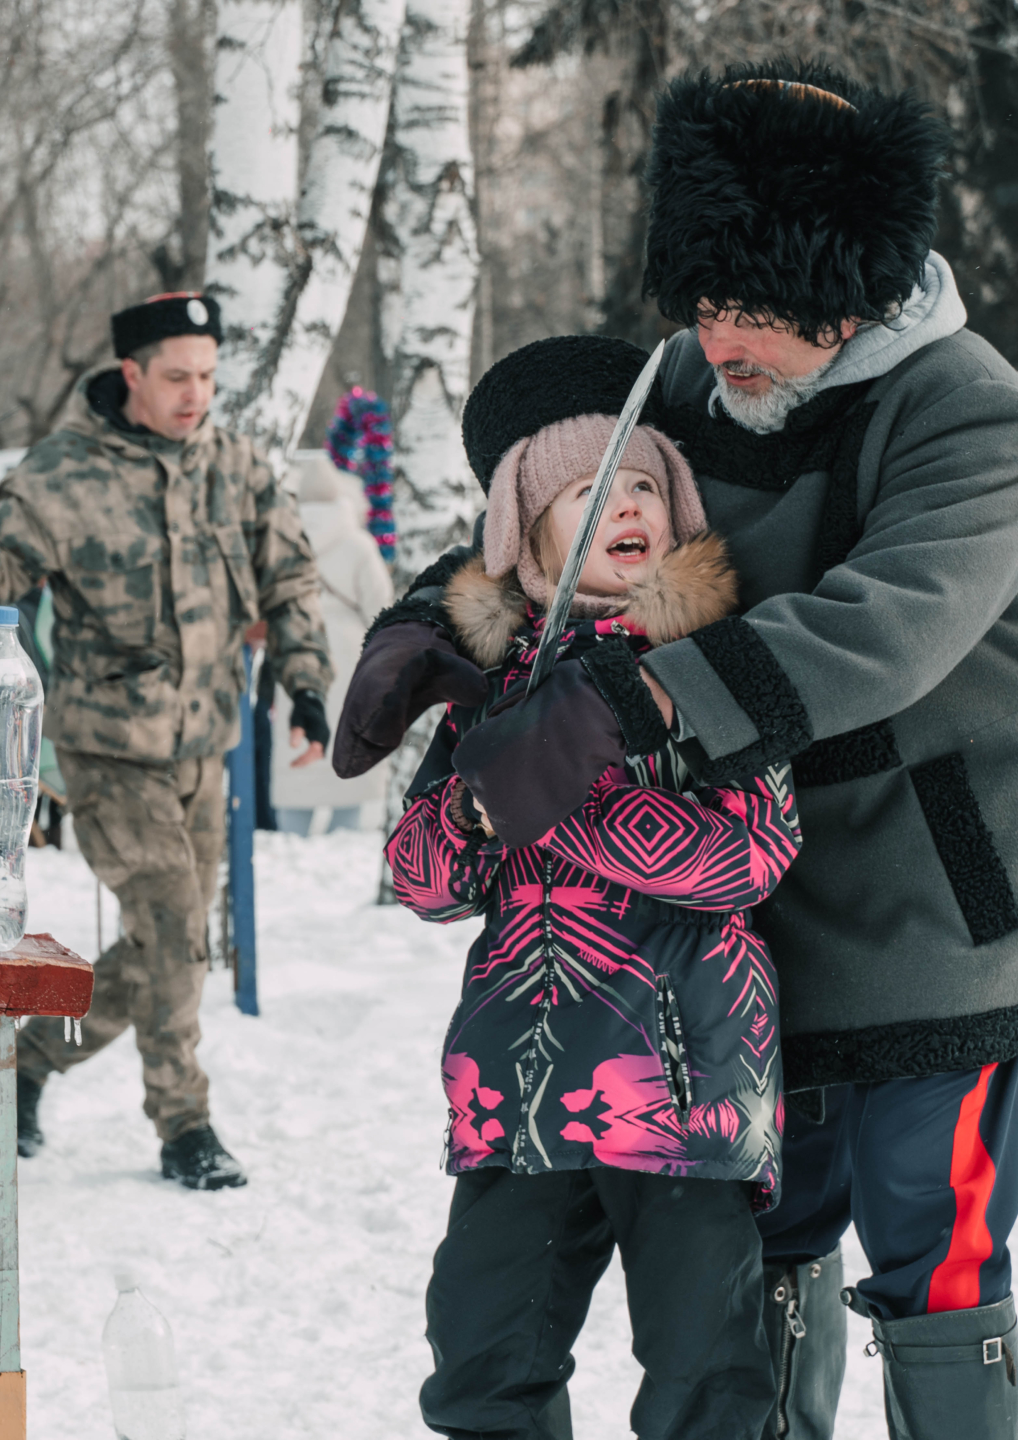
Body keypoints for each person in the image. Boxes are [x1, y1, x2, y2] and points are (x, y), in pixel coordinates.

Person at [344, 67, 1018, 1438]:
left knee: (928, 1219)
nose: (716, 342)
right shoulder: (694, 377)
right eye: (702, 305)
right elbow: (575, 520)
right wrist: (440, 620)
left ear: (845, 289)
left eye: (751, 314)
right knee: (780, 1213)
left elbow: (892, 624)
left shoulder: (969, 413)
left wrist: (636, 711)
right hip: (757, 890)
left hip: (943, 888)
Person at [380, 340, 798, 1440]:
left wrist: (568, 788)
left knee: (706, 1382)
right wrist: (477, 802)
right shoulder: (491, 685)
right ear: (528, 534)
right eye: (585, 490)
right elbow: (422, 881)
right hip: (516, 1099)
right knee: (480, 1364)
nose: (627, 507)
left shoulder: (713, 662)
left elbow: (743, 857)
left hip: (683, 1091)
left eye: (644, 484)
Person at [0, 293, 336, 1191]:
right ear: (132, 377)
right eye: (178, 377)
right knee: (172, 921)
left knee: (170, 945)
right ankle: (184, 1123)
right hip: (109, 750)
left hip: (204, 745)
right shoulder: (64, 473)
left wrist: (306, 686)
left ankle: (31, 1060)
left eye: (209, 377)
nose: (197, 395)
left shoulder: (236, 468)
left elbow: (291, 580)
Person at [269, 454, 394, 832]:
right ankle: (347, 827)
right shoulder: (358, 545)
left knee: (299, 740)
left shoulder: (282, 543)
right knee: (347, 741)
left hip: (298, 649)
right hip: (351, 655)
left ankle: (291, 830)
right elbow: (382, 607)